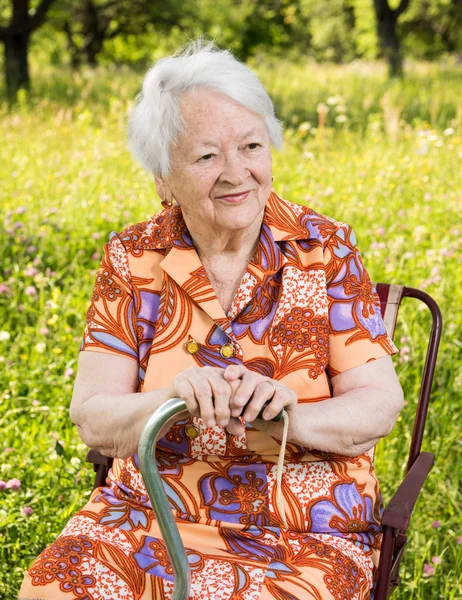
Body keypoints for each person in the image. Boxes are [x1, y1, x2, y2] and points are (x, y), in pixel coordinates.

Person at [19, 40, 404, 600]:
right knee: (52, 589)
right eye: (206, 157)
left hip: (303, 527)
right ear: (162, 179)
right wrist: (174, 397)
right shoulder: (134, 257)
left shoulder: (324, 248)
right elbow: (94, 416)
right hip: (147, 514)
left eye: (251, 145)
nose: (236, 173)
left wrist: (284, 413)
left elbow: (377, 405)